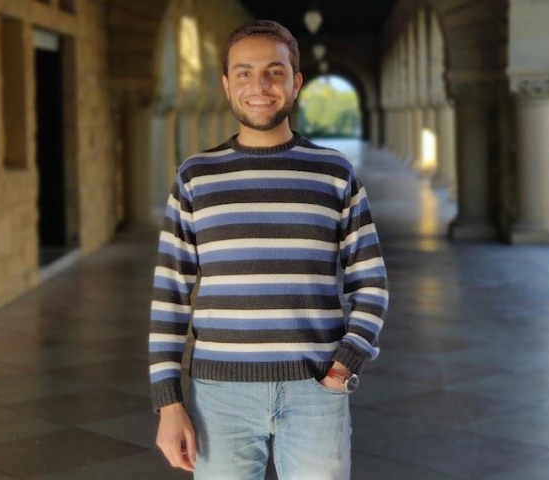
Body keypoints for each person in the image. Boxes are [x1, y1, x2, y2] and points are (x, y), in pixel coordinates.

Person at [149, 19, 388, 480]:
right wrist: (168, 403)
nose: (259, 85)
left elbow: (371, 280)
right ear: (225, 84)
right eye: (243, 72)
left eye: (274, 72)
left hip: (316, 390)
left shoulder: (334, 173)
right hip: (218, 396)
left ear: (295, 82)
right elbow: (170, 295)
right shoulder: (196, 177)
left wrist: (345, 364)